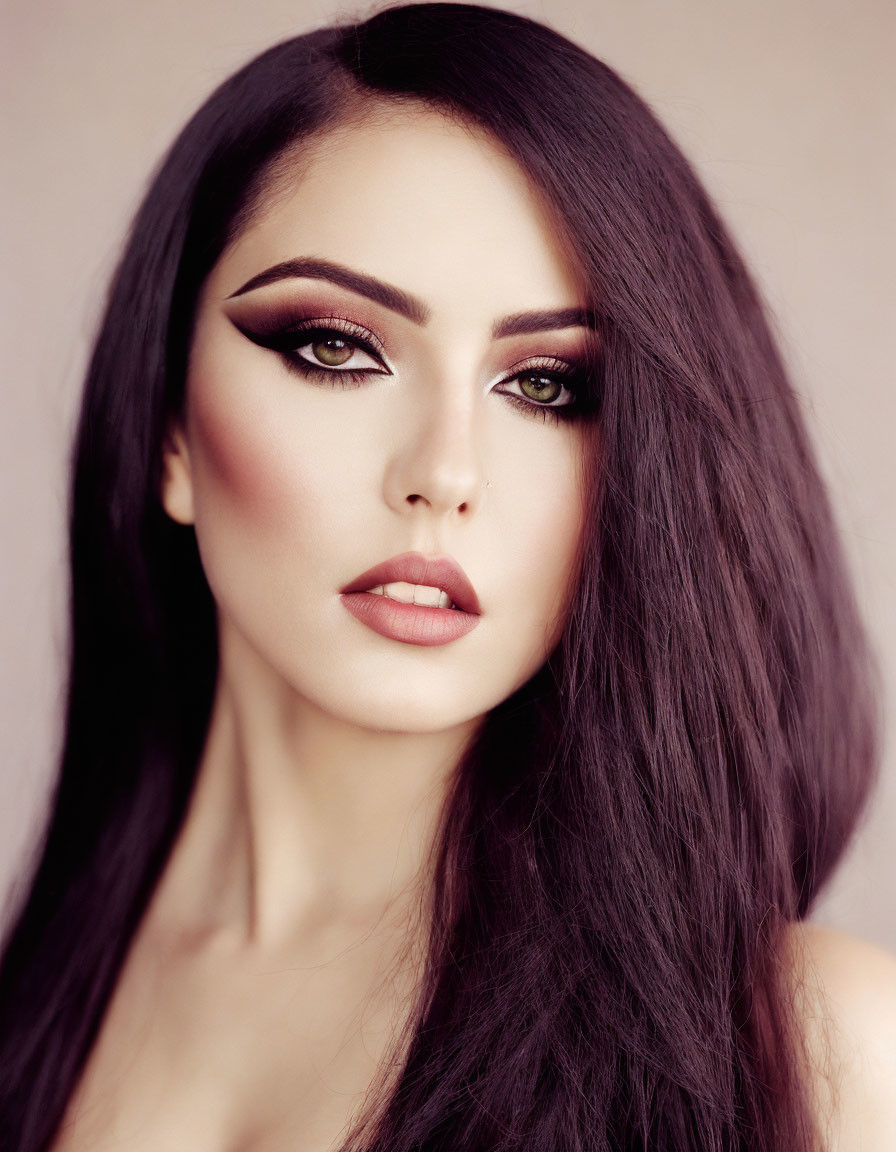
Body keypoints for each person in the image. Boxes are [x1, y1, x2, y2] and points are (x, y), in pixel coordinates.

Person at [1, 3, 894, 1149]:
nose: (443, 474)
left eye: (547, 387)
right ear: (170, 427)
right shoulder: (41, 994)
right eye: (336, 346)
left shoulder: (820, 1060)